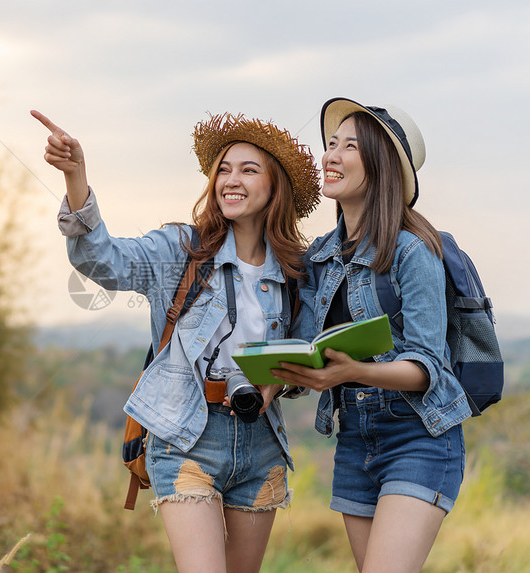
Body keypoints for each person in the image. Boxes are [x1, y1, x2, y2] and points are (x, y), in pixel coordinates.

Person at [33, 109, 319, 573]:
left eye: (248, 170)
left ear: (275, 187)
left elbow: (307, 353)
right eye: (223, 169)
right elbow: (103, 261)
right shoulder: (180, 249)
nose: (231, 179)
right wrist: (75, 178)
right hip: (187, 434)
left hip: (262, 440)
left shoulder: (296, 271)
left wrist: (281, 382)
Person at [271, 98, 472, 573]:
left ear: (380, 165)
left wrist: (355, 371)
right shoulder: (320, 256)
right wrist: (283, 374)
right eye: (331, 144)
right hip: (356, 437)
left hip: (418, 434)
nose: (331, 155)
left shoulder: (413, 251)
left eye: (349, 146)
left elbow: (429, 368)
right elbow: (306, 352)